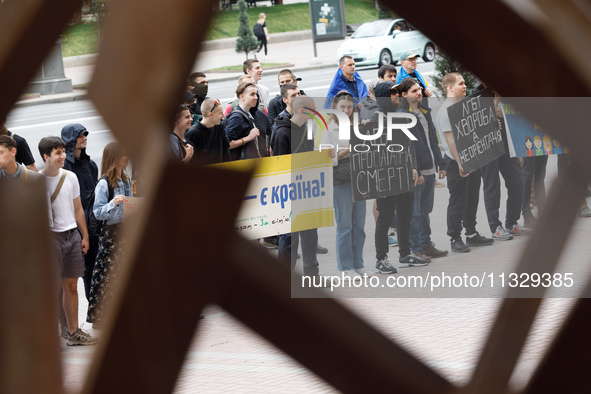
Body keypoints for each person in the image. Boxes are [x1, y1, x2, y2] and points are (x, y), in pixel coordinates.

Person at [38, 136, 96, 346]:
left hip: (72, 236)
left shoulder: (70, 177)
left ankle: (73, 332)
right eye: (58, 153)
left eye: (63, 152)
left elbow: (78, 208)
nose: (63, 156)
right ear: (46, 156)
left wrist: (85, 235)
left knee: (71, 286)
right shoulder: (36, 180)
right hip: (50, 239)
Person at [366, 81, 429, 273]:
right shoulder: (373, 118)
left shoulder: (400, 115)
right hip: (385, 175)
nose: (397, 96)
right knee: (385, 217)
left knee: (405, 214)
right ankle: (381, 260)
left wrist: (415, 167)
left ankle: (405, 253)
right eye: (393, 93)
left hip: (404, 173)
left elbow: (410, 145)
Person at [435, 73, 494, 252]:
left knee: (472, 199)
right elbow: (451, 140)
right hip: (456, 162)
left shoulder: (463, 106)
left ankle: (471, 234)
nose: (464, 86)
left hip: (472, 157)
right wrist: (461, 163)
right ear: (449, 87)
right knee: (458, 201)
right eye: (460, 84)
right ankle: (454, 238)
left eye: (464, 83)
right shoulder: (446, 111)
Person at [321, 91, 370, 278]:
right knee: (345, 225)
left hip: (360, 177)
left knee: (359, 225)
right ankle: (345, 267)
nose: (346, 110)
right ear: (335, 108)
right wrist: (346, 151)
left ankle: (358, 264)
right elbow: (325, 159)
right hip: (341, 180)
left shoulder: (356, 125)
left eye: (349, 107)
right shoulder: (329, 129)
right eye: (342, 107)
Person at [397, 78, 448, 259]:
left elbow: (433, 140)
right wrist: (414, 169)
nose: (418, 93)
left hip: (429, 168)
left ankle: (426, 244)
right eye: (413, 91)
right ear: (404, 94)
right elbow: (406, 146)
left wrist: (441, 164)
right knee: (416, 212)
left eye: (419, 90)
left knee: (425, 211)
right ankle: (417, 248)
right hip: (416, 172)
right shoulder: (402, 115)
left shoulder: (425, 112)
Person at [274, 96, 322, 278]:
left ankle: (312, 274)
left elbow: (310, 153)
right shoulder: (282, 133)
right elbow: (279, 166)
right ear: (303, 111)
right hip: (290, 192)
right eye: (313, 109)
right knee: (289, 239)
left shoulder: (308, 128)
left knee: (310, 235)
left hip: (307, 189)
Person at [472, 84, 528, 239]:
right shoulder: (476, 96)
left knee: (517, 181)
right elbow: (473, 125)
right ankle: (495, 226)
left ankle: (512, 222)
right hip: (488, 148)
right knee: (492, 186)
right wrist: (495, 102)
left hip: (506, 145)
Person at [87, 142, 133, 327]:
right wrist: (113, 203)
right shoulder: (104, 183)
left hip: (125, 231)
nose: (127, 156)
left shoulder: (127, 179)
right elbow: (97, 213)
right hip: (111, 234)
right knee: (107, 275)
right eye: (123, 154)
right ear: (114, 157)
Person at [61, 124, 99, 300]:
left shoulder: (91, 165)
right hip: (72, 227)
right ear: (70, 140)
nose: (85, 138)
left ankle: (95, 310)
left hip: (93, 225)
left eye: (85, 134)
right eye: (80, 135)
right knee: (75, 275)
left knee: (94, 268)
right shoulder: (65, 168)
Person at [226, 82, 270, 160]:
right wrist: (248, 138)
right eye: (252, 94)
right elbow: (227, 144)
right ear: (242, 96)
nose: (256, 97)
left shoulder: (247, 114)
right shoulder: (237, 118)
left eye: (256, 94)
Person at [185, 98, 231, 164]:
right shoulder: (193, 133)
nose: (223, 116)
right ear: (210, 115)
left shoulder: (219, 126)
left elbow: (226, 151)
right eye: (220, 113)